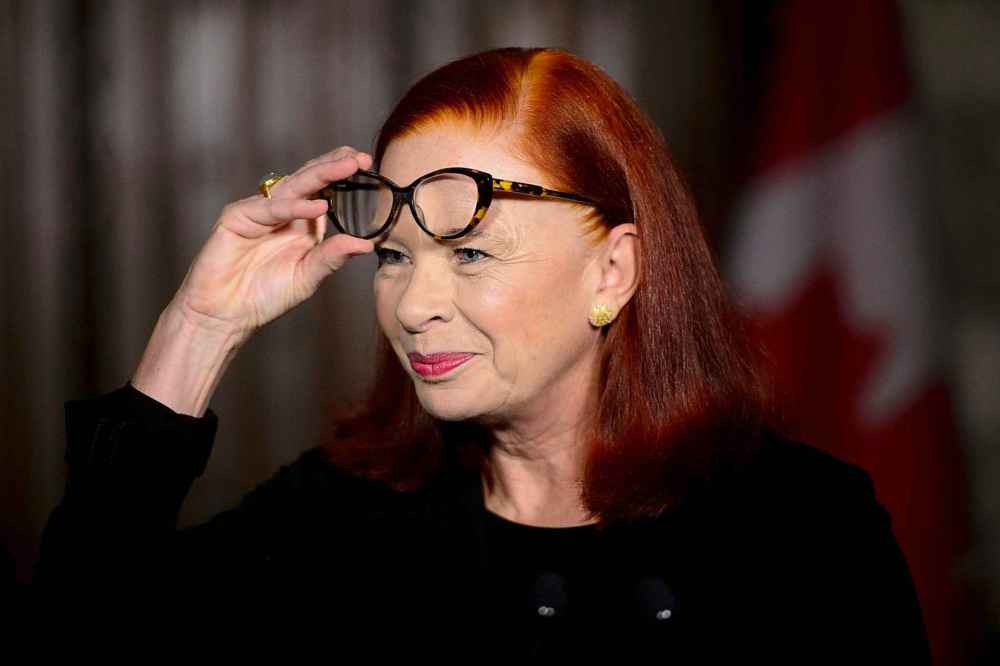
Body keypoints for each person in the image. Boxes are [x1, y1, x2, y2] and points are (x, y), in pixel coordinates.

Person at [32, 46, 931, 662]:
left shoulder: (802, 534)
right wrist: (203, 323)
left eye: (469, 252)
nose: (416, 306)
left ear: (612, 271)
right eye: (392, 257)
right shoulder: (344, 521)